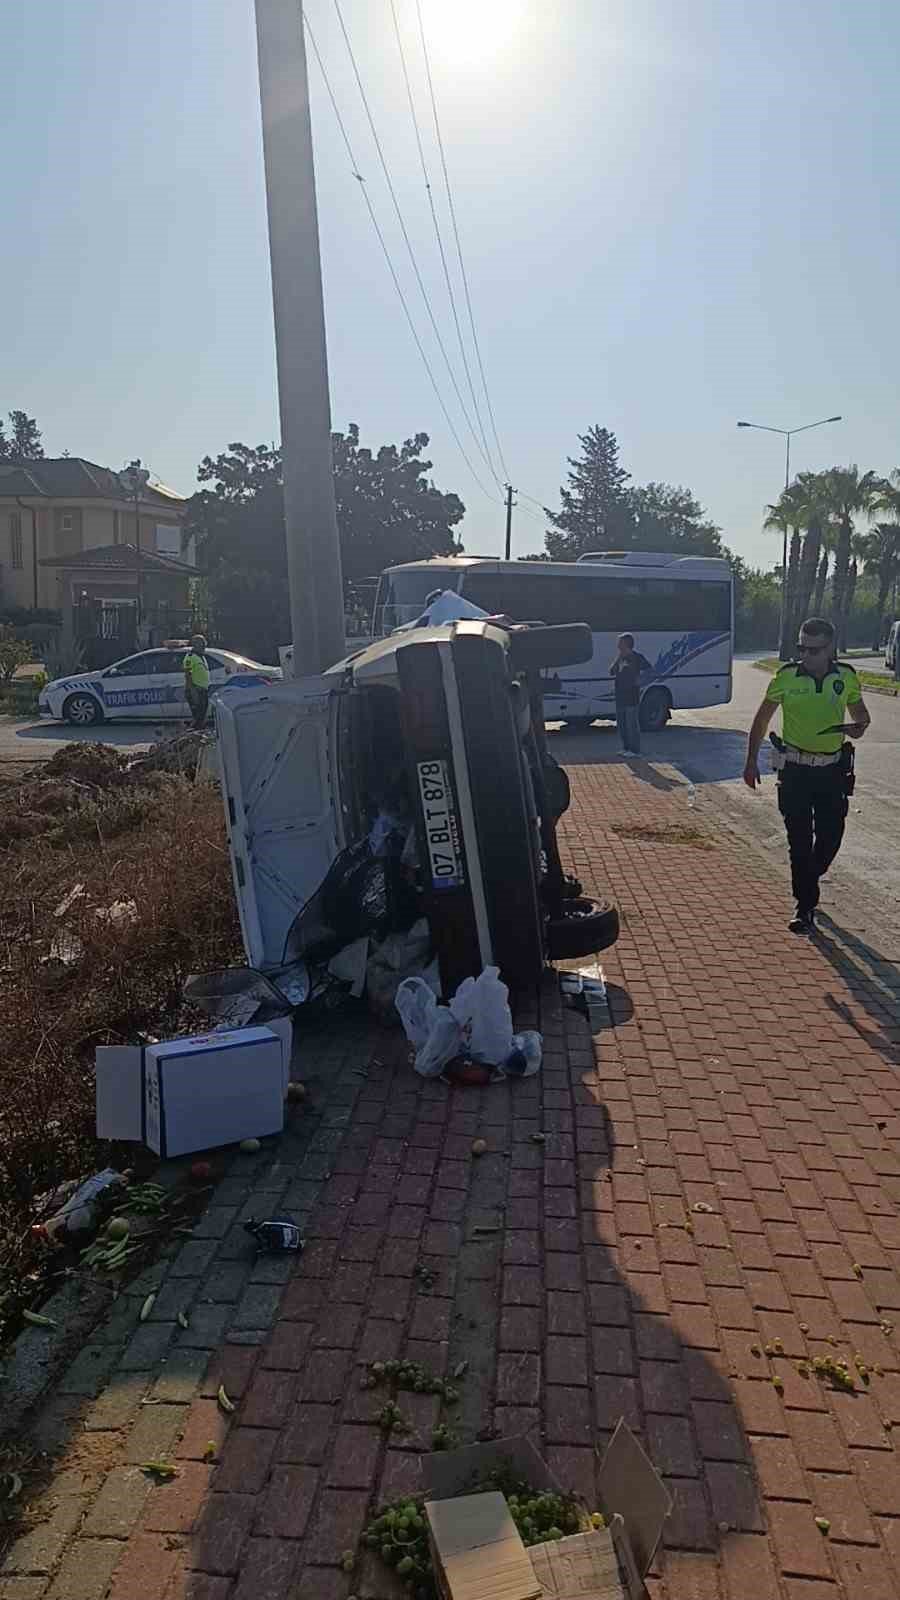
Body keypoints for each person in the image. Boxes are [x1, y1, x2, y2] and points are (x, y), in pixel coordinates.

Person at [743, 617, 870, 934]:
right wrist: (750, 762)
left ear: (830, 648)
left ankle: (808, 879)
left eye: (814, 650)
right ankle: (805, 906)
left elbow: (861, 717)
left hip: (832, 772)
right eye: (802, 648)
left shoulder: (846, 678)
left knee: (830, 837)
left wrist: (859, 726)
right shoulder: (786, 677)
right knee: (798, 841)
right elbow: (760, 721)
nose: (806, 655)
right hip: (796, 771)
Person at [609, 633, 652, 755]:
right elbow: (611, 672)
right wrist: (617, 659)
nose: (617, 645)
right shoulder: (620, 657)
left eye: (620, 643)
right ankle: (626, 748)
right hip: (620, 696)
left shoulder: (637, 657)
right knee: (622, 724)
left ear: (626, 644)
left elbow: (649, 670)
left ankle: (635, 750)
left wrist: (640, 680)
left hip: (631, 696)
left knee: (631, 724)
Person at [183, 634, 211, 731]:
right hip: (195, 690)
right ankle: (193, 736)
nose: (204, 646)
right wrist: (193, 692)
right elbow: (188, 675)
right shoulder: (190, 657)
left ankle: (198, 736)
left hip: (202, 690)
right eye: (202, 644)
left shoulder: (201, 656)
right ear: (196, 645)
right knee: (198, 718)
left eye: (204, 644)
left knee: (202, 717)